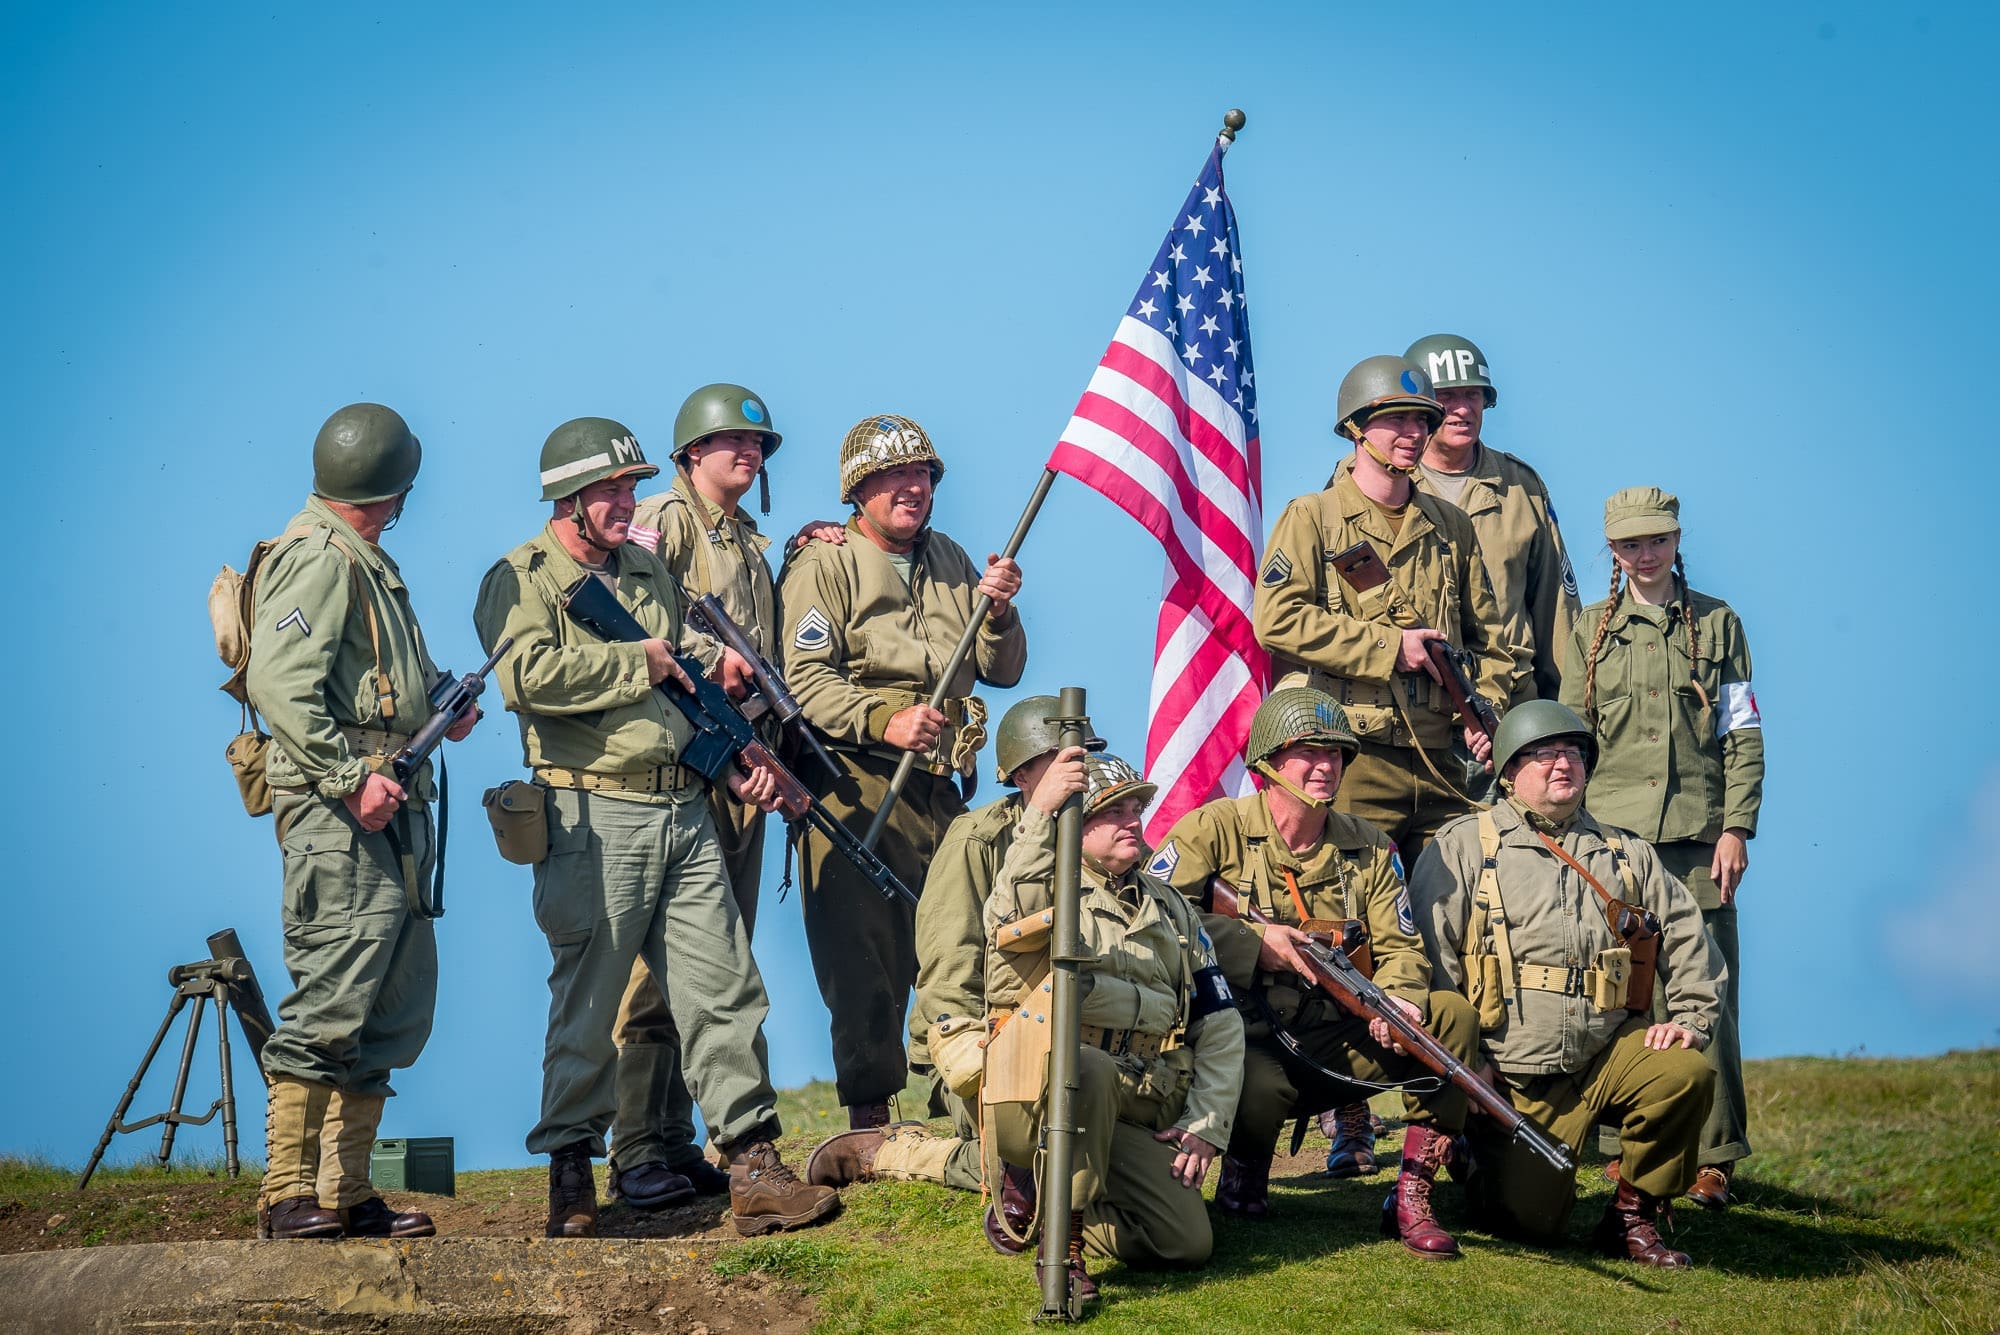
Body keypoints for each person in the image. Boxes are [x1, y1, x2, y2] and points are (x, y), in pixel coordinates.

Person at [473, 416, 837, 1239]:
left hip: (681, 805)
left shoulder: (644, 568)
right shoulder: (519, 576)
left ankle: (752, 1162)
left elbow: (681, 680)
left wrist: (735, 745)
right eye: (610, 488)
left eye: (632, 485)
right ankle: (571, 1166)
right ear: (566, 497)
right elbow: (526, 674)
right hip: (591, 812)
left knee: (724, 986)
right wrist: (636, 659)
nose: (626, 501)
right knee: (590, 1001)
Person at [1254, 354, 1515, 1179]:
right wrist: (1384, 646)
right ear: (1357, 429)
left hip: (1438, 762)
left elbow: (1492, 641)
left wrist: (1491, 714)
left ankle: (1446, 1123)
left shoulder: (1452, 526)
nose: (1413, 434)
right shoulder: (1316, 517)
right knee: (1348, 940)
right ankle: (1351, 1118)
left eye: (1423, 421)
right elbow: (1276, 617)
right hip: (1352, 754)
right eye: (1397, 420)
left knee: (1455, 933)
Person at [248, 403, 477, 1240]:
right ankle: (286, 1195)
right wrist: (348, 780)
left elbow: (366, 683)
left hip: (392, 805)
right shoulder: (318, 558)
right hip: (346, 814)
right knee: (331, 999)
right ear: (395, 485)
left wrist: (437, 708)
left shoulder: (363, 558)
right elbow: (279, 682)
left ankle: (343, 1193)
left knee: (389, 1008)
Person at [1149, 687, 1481, 1257]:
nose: (1326, 766)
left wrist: (1399, 1000)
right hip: (1248, 1038)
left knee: (1447, 1017)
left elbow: (1403, 947)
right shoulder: (1213, 829)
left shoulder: (1370, 847)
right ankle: (1245, 1167)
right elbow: (1156, 916)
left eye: (1336, 754)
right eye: (1309, 752)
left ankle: (1413, 1191)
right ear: (1270, 762)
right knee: (1251, 1086)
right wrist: (1255, 943)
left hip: (1339, 1034)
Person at [1409, 700, 1724, 1268]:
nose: (1563, 765)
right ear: (1508, 770)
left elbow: (1684, 932)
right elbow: (1434, 964)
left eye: (1574, 754)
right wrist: (1466, 1063)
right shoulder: (1462, 846)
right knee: (1534, 1224)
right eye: (1544, 754)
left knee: (1686, 1074)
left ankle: (1633, 1217)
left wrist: (1691, 1019)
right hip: (1506, 1074)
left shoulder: (1627, 855)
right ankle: (1469, 1157)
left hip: (1604, 1056)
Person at [777, 414, 1027, 1129]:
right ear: (860, 490)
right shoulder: (822, 563)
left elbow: (1001, 669)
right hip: (854, 781)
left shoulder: (950, 557)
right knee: (863, 956)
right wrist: (880, 718)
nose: (912, 487)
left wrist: (1001, 612)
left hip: (943, 785)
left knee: (964, 939)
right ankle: (870, 1117)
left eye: (922, 475)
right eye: (894, 477)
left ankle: (970, 1099)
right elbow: (804, 680)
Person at [804, 696, 1105, 1254]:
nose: (1077, 768)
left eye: (1083, 755)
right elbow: (947, 971)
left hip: (1079, 1040)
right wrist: (975, 1066)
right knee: (1043, 1167)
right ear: (1020, 773)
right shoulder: (979, 838)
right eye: (1059, 758)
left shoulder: (1101, 833)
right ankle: (896, 1152)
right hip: (989, 1046)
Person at [604, 383, 793, 1206]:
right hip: (684, 766)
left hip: (740, 762)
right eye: (730, 445)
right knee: (662, 971)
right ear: (688, 454)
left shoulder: (747, 539)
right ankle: (639, 1143)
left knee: (719, 964)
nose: (746, 456)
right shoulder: (663, 520)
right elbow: (619, 611)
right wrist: (694, 657)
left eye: (756, 447)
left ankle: (677, 1136)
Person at [1560, 486, 1763, 1209]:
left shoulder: (1719, 623)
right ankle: (1627, 1151)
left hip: (1698, 841)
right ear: (1611, 551)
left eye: (1657, 540)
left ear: (1677, 539)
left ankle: (1713, 1157)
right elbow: (1571, 744)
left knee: (1710, 991)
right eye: (1629, 544)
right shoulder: (1586, 630)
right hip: (1613, 844)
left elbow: (1741, 734)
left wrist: (1737, 826)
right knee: (1623, 994)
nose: (1645, 555)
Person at [984, 751, 1244, 1301]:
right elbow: (1005, 918)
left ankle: (1062, 1196)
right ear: (1075, 825)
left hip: (1139, 1099)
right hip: (1049, 1096)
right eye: (1112, 810)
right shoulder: (1049, 887)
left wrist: (1207, 1123)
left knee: (1185, 1243)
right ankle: (1064, 1243)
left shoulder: (1172, 907)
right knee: (1091, 1066)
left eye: (1135, 808)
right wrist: (1043, 812)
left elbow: (1219, 1021)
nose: (1132, 820)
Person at [1402, 333, 1579, 706]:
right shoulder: (1380, 481)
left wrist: (1567, 720)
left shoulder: (1520, 487)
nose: (1463, 409)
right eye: (1446, 396)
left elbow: (1556, 611)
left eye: (1473, 395)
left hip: (1509, 708)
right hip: (1407, 712)